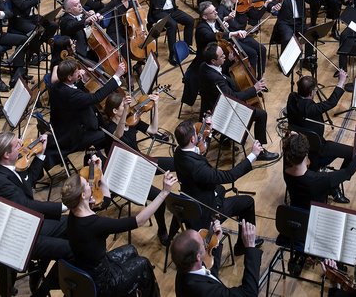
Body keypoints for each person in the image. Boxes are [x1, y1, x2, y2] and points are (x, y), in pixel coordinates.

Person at [61, 158, 174, 297]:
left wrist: (99, 173)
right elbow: (139, 220)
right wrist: (163, 193)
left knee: (131, 249)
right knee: (143, 264)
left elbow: (106, 199)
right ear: (83, 195)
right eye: (86, 184)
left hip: (89, 266)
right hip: (103, 282)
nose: (90, 183)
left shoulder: (75, 212)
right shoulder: (96, 224)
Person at [0, 131, 72, 297]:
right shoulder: (0, 181)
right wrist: (63, 205)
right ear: (6, 154)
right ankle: (42, 290)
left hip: (26, 224)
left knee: (71, 224)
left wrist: (40, 155)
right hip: (17, 237)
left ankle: (38, 270)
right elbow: (26, 205)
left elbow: (29, 180)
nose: (21, 142)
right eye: (16, 144)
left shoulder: (9, 168)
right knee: (70, 249)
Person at [173, 120, 266, 259]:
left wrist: (206, 135)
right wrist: (253, 155)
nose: (198, 133)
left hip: (191, 200)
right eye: (196, 132)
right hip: (206, 211)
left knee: (220, 189)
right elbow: (229, 175)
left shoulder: (179, 152)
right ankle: (243, 246)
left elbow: (198, 152)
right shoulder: (198, 169)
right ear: (192, 139)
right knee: (247, 202)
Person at [101, 92, 173, 243]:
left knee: (176, 163)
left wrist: (156, 106)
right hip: (126, 174)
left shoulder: (131, 120)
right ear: (115, 111)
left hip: (140, 163)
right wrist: (126, 111)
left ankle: (184, 198)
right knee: (158, 197)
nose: (128, 107)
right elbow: (118, 135)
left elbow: (153, 130)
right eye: (123, 106)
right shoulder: (109, 128)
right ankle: (162, 230)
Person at [197, 42, 278, 160]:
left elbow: (219, 71)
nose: (225, 55)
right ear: (213, 61)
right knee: (261, 114)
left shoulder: (204, 66)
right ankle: (259, 153)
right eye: (222, 56)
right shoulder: (214, 79)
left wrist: (228, 61)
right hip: (220, 113)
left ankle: (225, 138)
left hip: (211, 105)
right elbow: (233, 97)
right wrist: (254, 89)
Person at [285, 71, 353, 202]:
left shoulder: (291, 98)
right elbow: (331, 103)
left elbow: (301, 94)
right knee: (352, 153)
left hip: (298, 149)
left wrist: (304, 84)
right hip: (316, 151)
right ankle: (334, 185)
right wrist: (341, 82)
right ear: (311, 92)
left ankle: (326, 178)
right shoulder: (310, 109)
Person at [48, 58, 126, 157]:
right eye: (77, 72)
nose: (80, 72)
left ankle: (93, 155)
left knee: (102, 121)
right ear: (69, 77)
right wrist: (117, 75)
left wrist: (83, 80)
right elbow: (96, 97)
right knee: (111, 135)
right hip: (74, 136)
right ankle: (100, 159)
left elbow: (73, 93)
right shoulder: (70, 94)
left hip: (65, 128)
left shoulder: (57, 87)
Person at [172, 219, 261, 297]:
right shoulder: (204, 290)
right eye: (203, 242)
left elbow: (210, 272)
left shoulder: (186, 266)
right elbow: (249, 293)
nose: (205, 241)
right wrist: (250, 248)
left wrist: (215, 241)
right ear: (198, 257)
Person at [283, 130, 356, 209]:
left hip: (294, 213)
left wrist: (292, 140)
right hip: (314, 216)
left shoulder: (286, 171)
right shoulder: (319, 179)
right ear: (306, 154)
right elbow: (348, 172)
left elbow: (288, 150)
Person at [147, 0, 196, 64]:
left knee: (190, 20)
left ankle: (187, 46)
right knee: (172, 25)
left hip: (173, 10)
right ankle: (172, 55)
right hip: (159, 12)